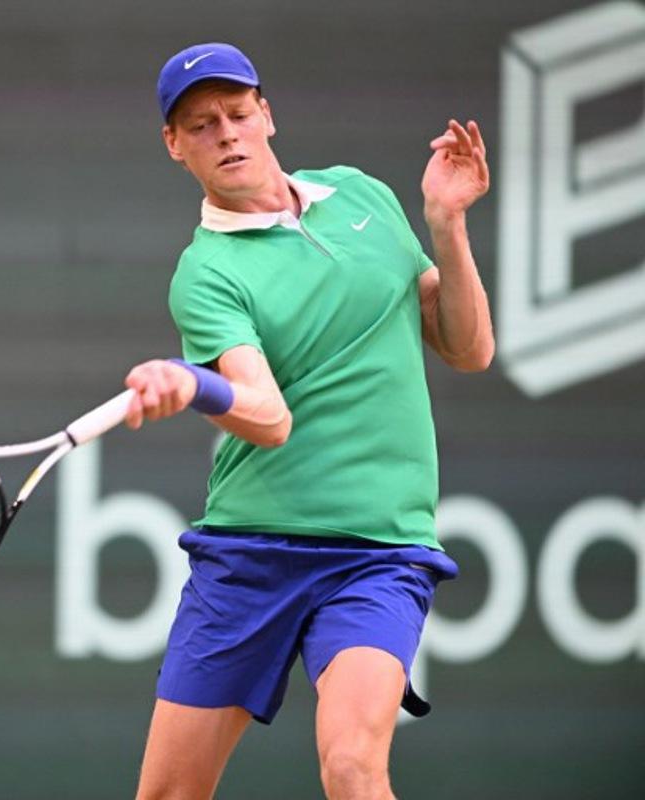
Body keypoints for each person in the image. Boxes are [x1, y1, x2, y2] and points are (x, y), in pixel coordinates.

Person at [122, 43, 494, 800]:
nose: (224, 134)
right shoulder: (207, 273)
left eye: (235, 113)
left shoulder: (363, 196)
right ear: (174, 145)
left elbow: (468, 348)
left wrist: (446, 222)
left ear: (266, 114)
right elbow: (265, 416)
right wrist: (196, 383)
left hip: (378, 552)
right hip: (250, 554)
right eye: (199, 125)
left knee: (354, 768)